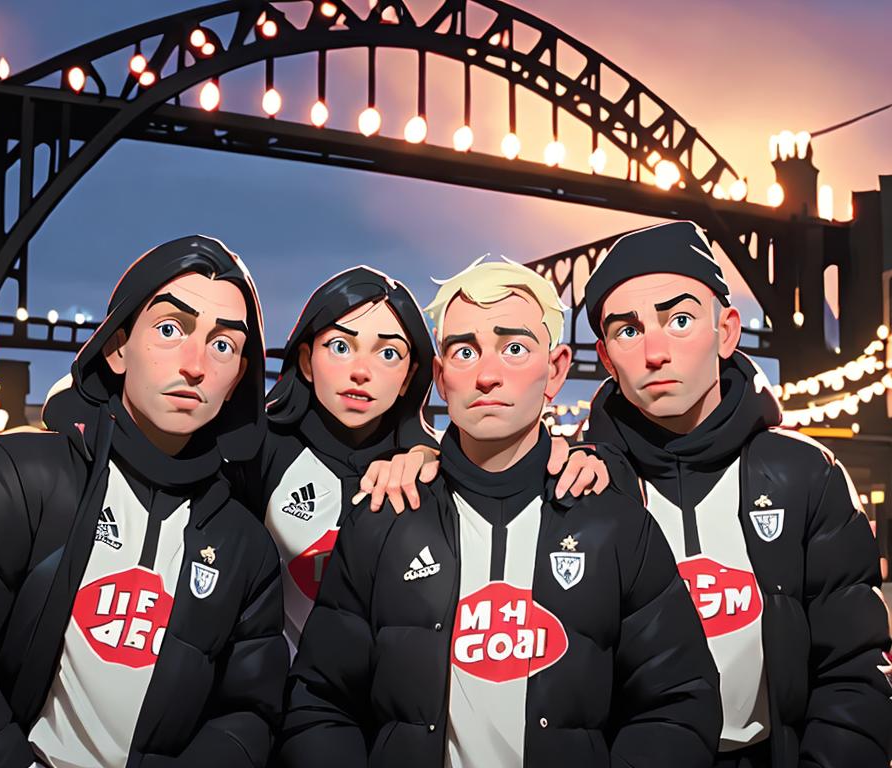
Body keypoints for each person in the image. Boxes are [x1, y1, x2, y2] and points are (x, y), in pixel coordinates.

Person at [0, 236, 288, 768]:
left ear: (239, 375)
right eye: (171, 329)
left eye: (223, 345)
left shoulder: (246, 547)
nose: (195, 364)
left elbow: (249, 714)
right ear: (118, 346)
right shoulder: (16, 474)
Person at [281, 256, 721, 767]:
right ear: (442, 379)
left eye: (514, 348)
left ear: (555, 370)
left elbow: (677, 705)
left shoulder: (615, 525)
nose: (487, 375)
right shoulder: (382, 517)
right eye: (465, 352)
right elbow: (320, 704)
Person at [582, 220, 892, 766]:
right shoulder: (579, 487)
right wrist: (417, 454)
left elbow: (854, 670)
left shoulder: (806, 475)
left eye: (679, 320)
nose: (655, 352)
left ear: (726, 332)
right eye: (627, 331)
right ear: (606, 357)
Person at [247, 266, 615, 651]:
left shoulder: (435, 466)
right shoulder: (258, 453)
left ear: (411, 375)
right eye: (340, 346)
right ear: (306, 361)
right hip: (276, 692)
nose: (360, 372)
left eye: (388, 353)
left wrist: (579, 458)